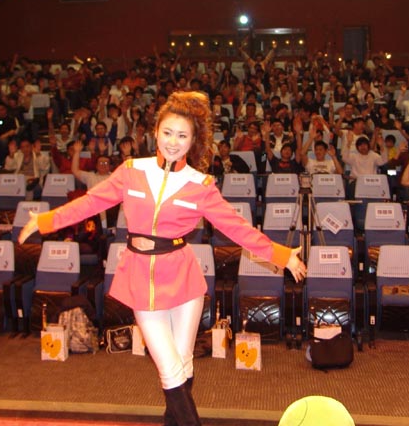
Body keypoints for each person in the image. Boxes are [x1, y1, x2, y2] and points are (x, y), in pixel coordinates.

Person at [18, 91, 305, 426]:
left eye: (182, 135)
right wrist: (46, 220)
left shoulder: (200, 184)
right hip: (141, 278)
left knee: (182, 362)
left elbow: (237, 227)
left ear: (193, 141)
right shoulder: (131, 170)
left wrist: (282, 255)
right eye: (167, 132)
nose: (173, 141)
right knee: (169, 369)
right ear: (156, 132)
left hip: (183, 279)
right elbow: (90, 202)